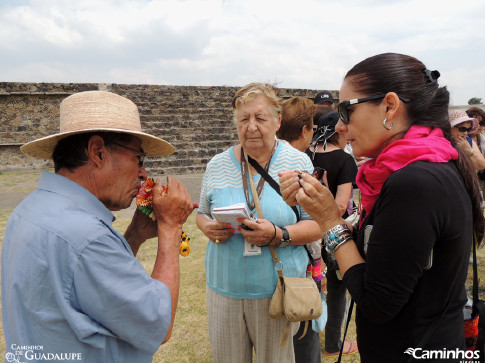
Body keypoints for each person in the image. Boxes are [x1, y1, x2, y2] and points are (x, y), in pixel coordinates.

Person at [280, 53, 485, 362]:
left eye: (347, 110)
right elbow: (388, 251)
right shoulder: (433, 164)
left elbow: (376, 303)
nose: (341, 125)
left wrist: (328, 219)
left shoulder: (415, 183)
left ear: (390, 106)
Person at [1, 91, 194, 362]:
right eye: (138, 157)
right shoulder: (86, 236)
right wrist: (171, 226)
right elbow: (157, 324)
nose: (143, 173)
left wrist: (135, 236)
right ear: (97, 152)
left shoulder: (29, 209)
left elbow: (86, 285)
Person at [196, 83, 322, 363]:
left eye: (260, 118)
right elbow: (202, 213)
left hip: (276, 291)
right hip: (224, 290)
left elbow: (316, 224)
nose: (251, 126)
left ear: (277, 122)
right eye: (243, 119)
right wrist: (206, 227)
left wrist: (278, 234)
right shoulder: (217, 165)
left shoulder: (297, 161)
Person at [306, 111, 358, 358]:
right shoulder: (345, 160)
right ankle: (333, 344)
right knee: (336, 288)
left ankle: (307, 340)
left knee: (307, 284)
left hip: (303, 234)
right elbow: (339, 206)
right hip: (329, 233)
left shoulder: (304, 154)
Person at [278, 96, 325, 363]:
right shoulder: (302, 164)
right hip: (301, 266)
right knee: (305, 332)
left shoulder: (264, 159)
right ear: (305, 130)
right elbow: (315, 224)